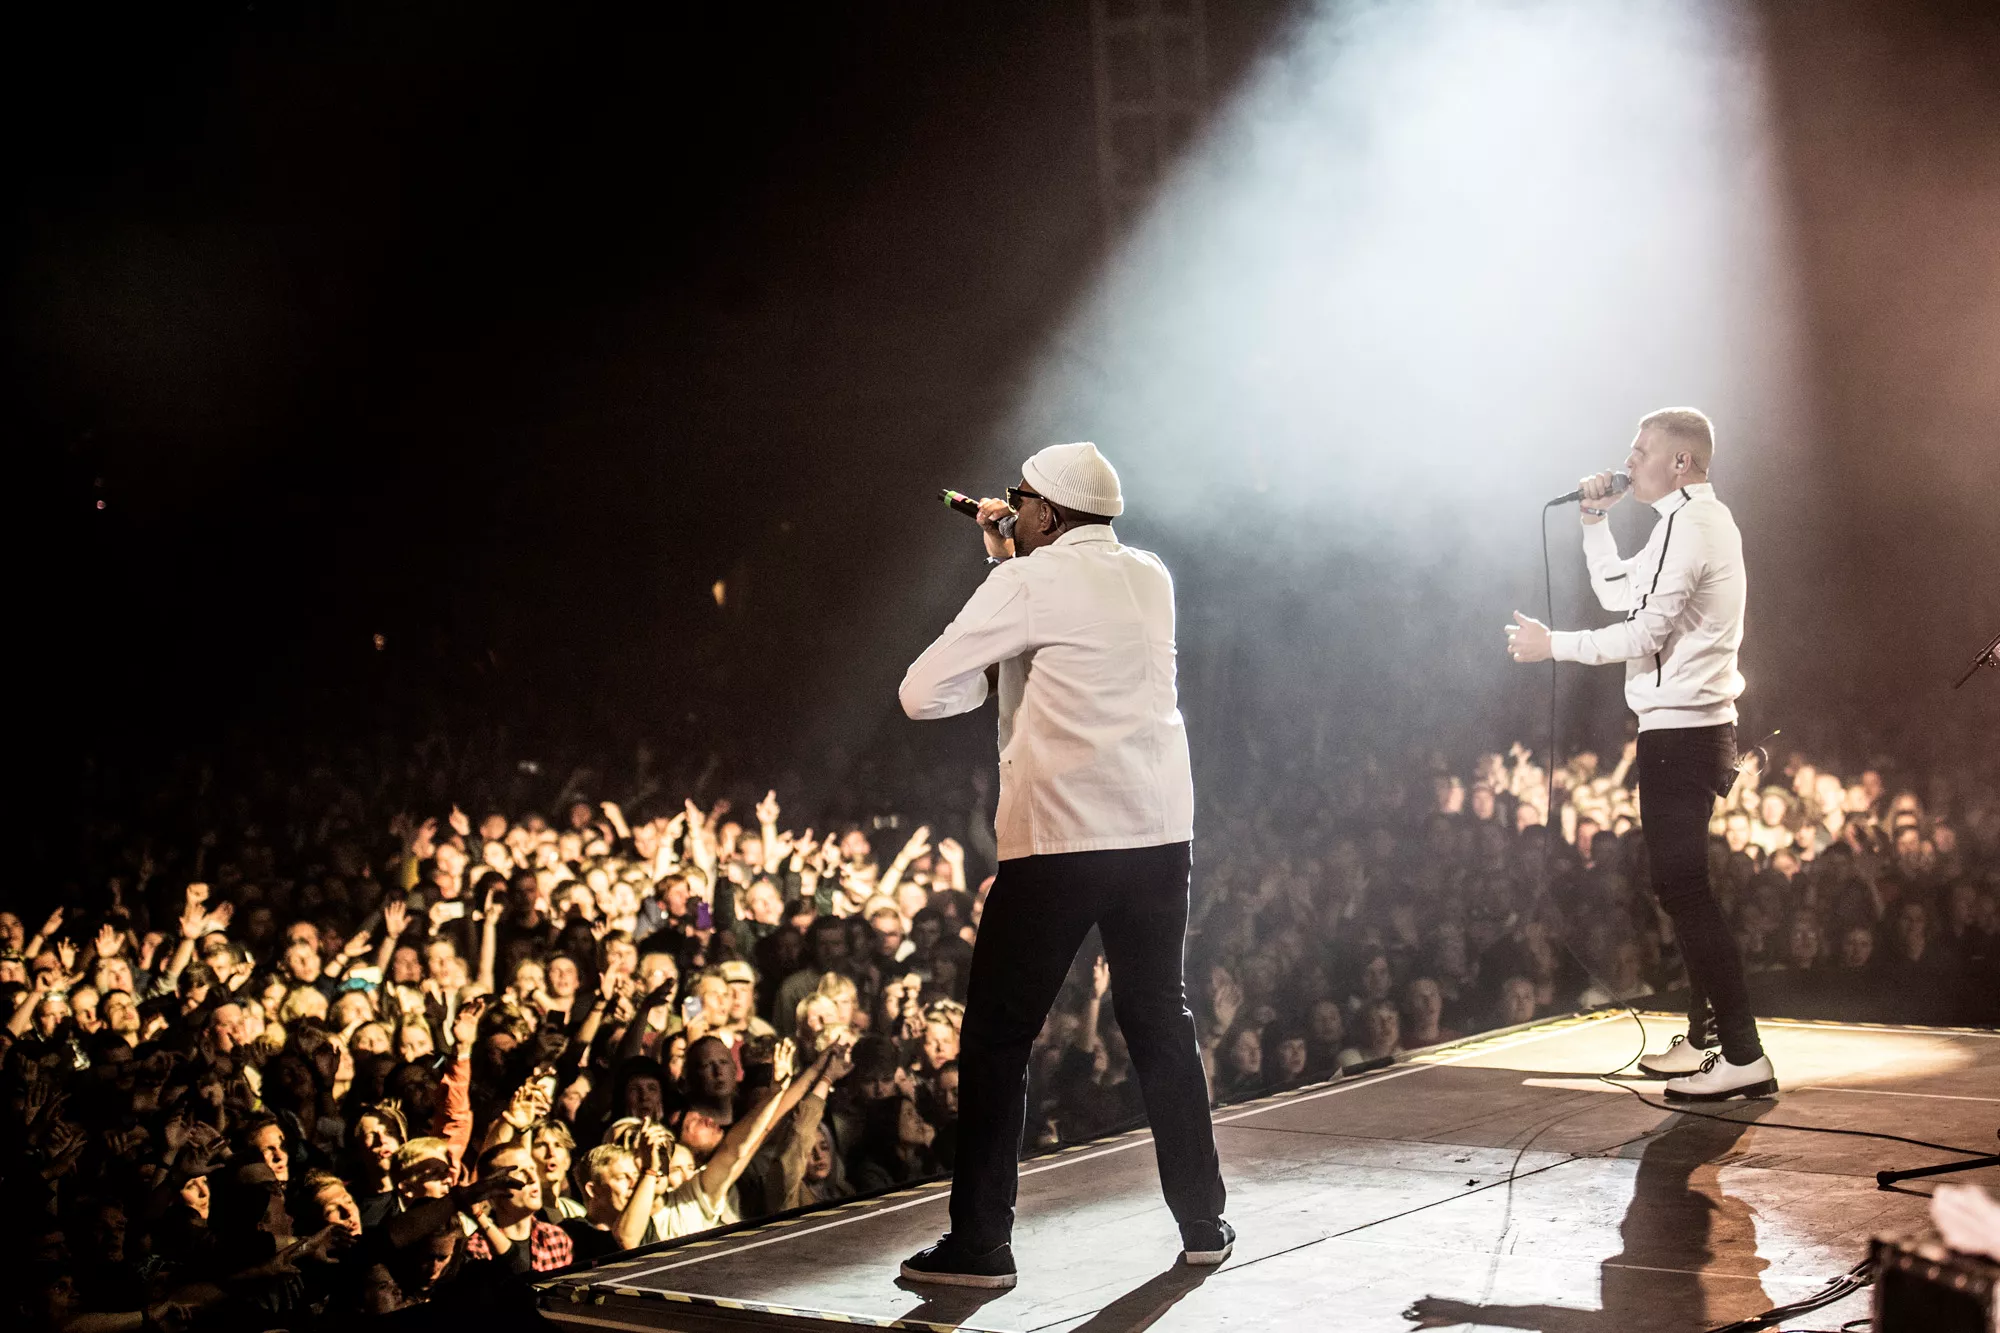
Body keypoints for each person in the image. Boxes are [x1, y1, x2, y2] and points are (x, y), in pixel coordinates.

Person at [896, 441, 1229, 1288]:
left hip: (1060, 842)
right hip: (1158, 835)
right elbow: (1067, 624)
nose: (1010, 506)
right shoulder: (1150, 574)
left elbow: (922, 692)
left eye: (1020, 498)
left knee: (997, 1037)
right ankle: (1203, 1221)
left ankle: (981, 1244)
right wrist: (1009, 555)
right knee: (1159, 1019)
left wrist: (1002, 571)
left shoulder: (1027, 581)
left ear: (1044, 512)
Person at [1505, 407, 1777, 1101]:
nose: (1627, 462)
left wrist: (1553, 645)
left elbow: (1643, 633)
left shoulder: (1695, 525)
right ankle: (1707, 1038)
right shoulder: (1682, 524)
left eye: (1640, 450)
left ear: (1680, 462)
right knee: (1682, 889)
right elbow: (1619, 593)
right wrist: (1595, 521)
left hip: (1684, 735)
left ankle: (1743, 1053)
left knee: (1685, 890)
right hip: (1683, 731)